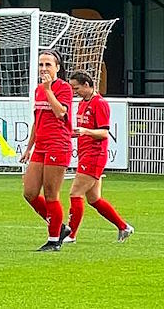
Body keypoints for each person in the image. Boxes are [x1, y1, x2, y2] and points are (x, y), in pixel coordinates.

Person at [62, 71, 134, 244]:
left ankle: (71, 235)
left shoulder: (100, 103)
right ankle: (124, 227)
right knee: (94, 199)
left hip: (95, 155)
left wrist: (86, 131)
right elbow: (83, 129)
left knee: (75, 193)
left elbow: (103, 132)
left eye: (76, 88)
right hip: (85, 154)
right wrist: (71, 134)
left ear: (87, 85)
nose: (74, 92)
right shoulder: (82, 104)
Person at [19, 49, 73, 252]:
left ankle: (54, 240)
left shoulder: (64, 88)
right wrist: (28, 147)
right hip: (40, 146)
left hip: (58, 144)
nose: (43, 68)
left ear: (57, 67)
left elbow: (61, 113)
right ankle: (59, 227)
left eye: (48, 64)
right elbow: (37, 121)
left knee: (51, 193)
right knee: (30, 192)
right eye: (41, 64)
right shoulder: (38, 89)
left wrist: (49, 89)